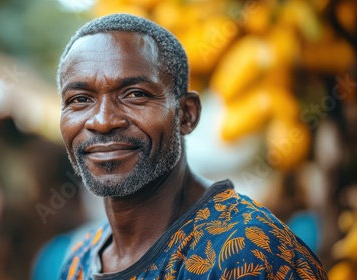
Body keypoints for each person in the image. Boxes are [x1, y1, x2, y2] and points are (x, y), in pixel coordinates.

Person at [56, 13, 327, 279]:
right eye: (79, 99)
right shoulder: (79, 261)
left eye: (135, 94)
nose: (103, 121)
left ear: (187, 115)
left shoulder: (248, 252)